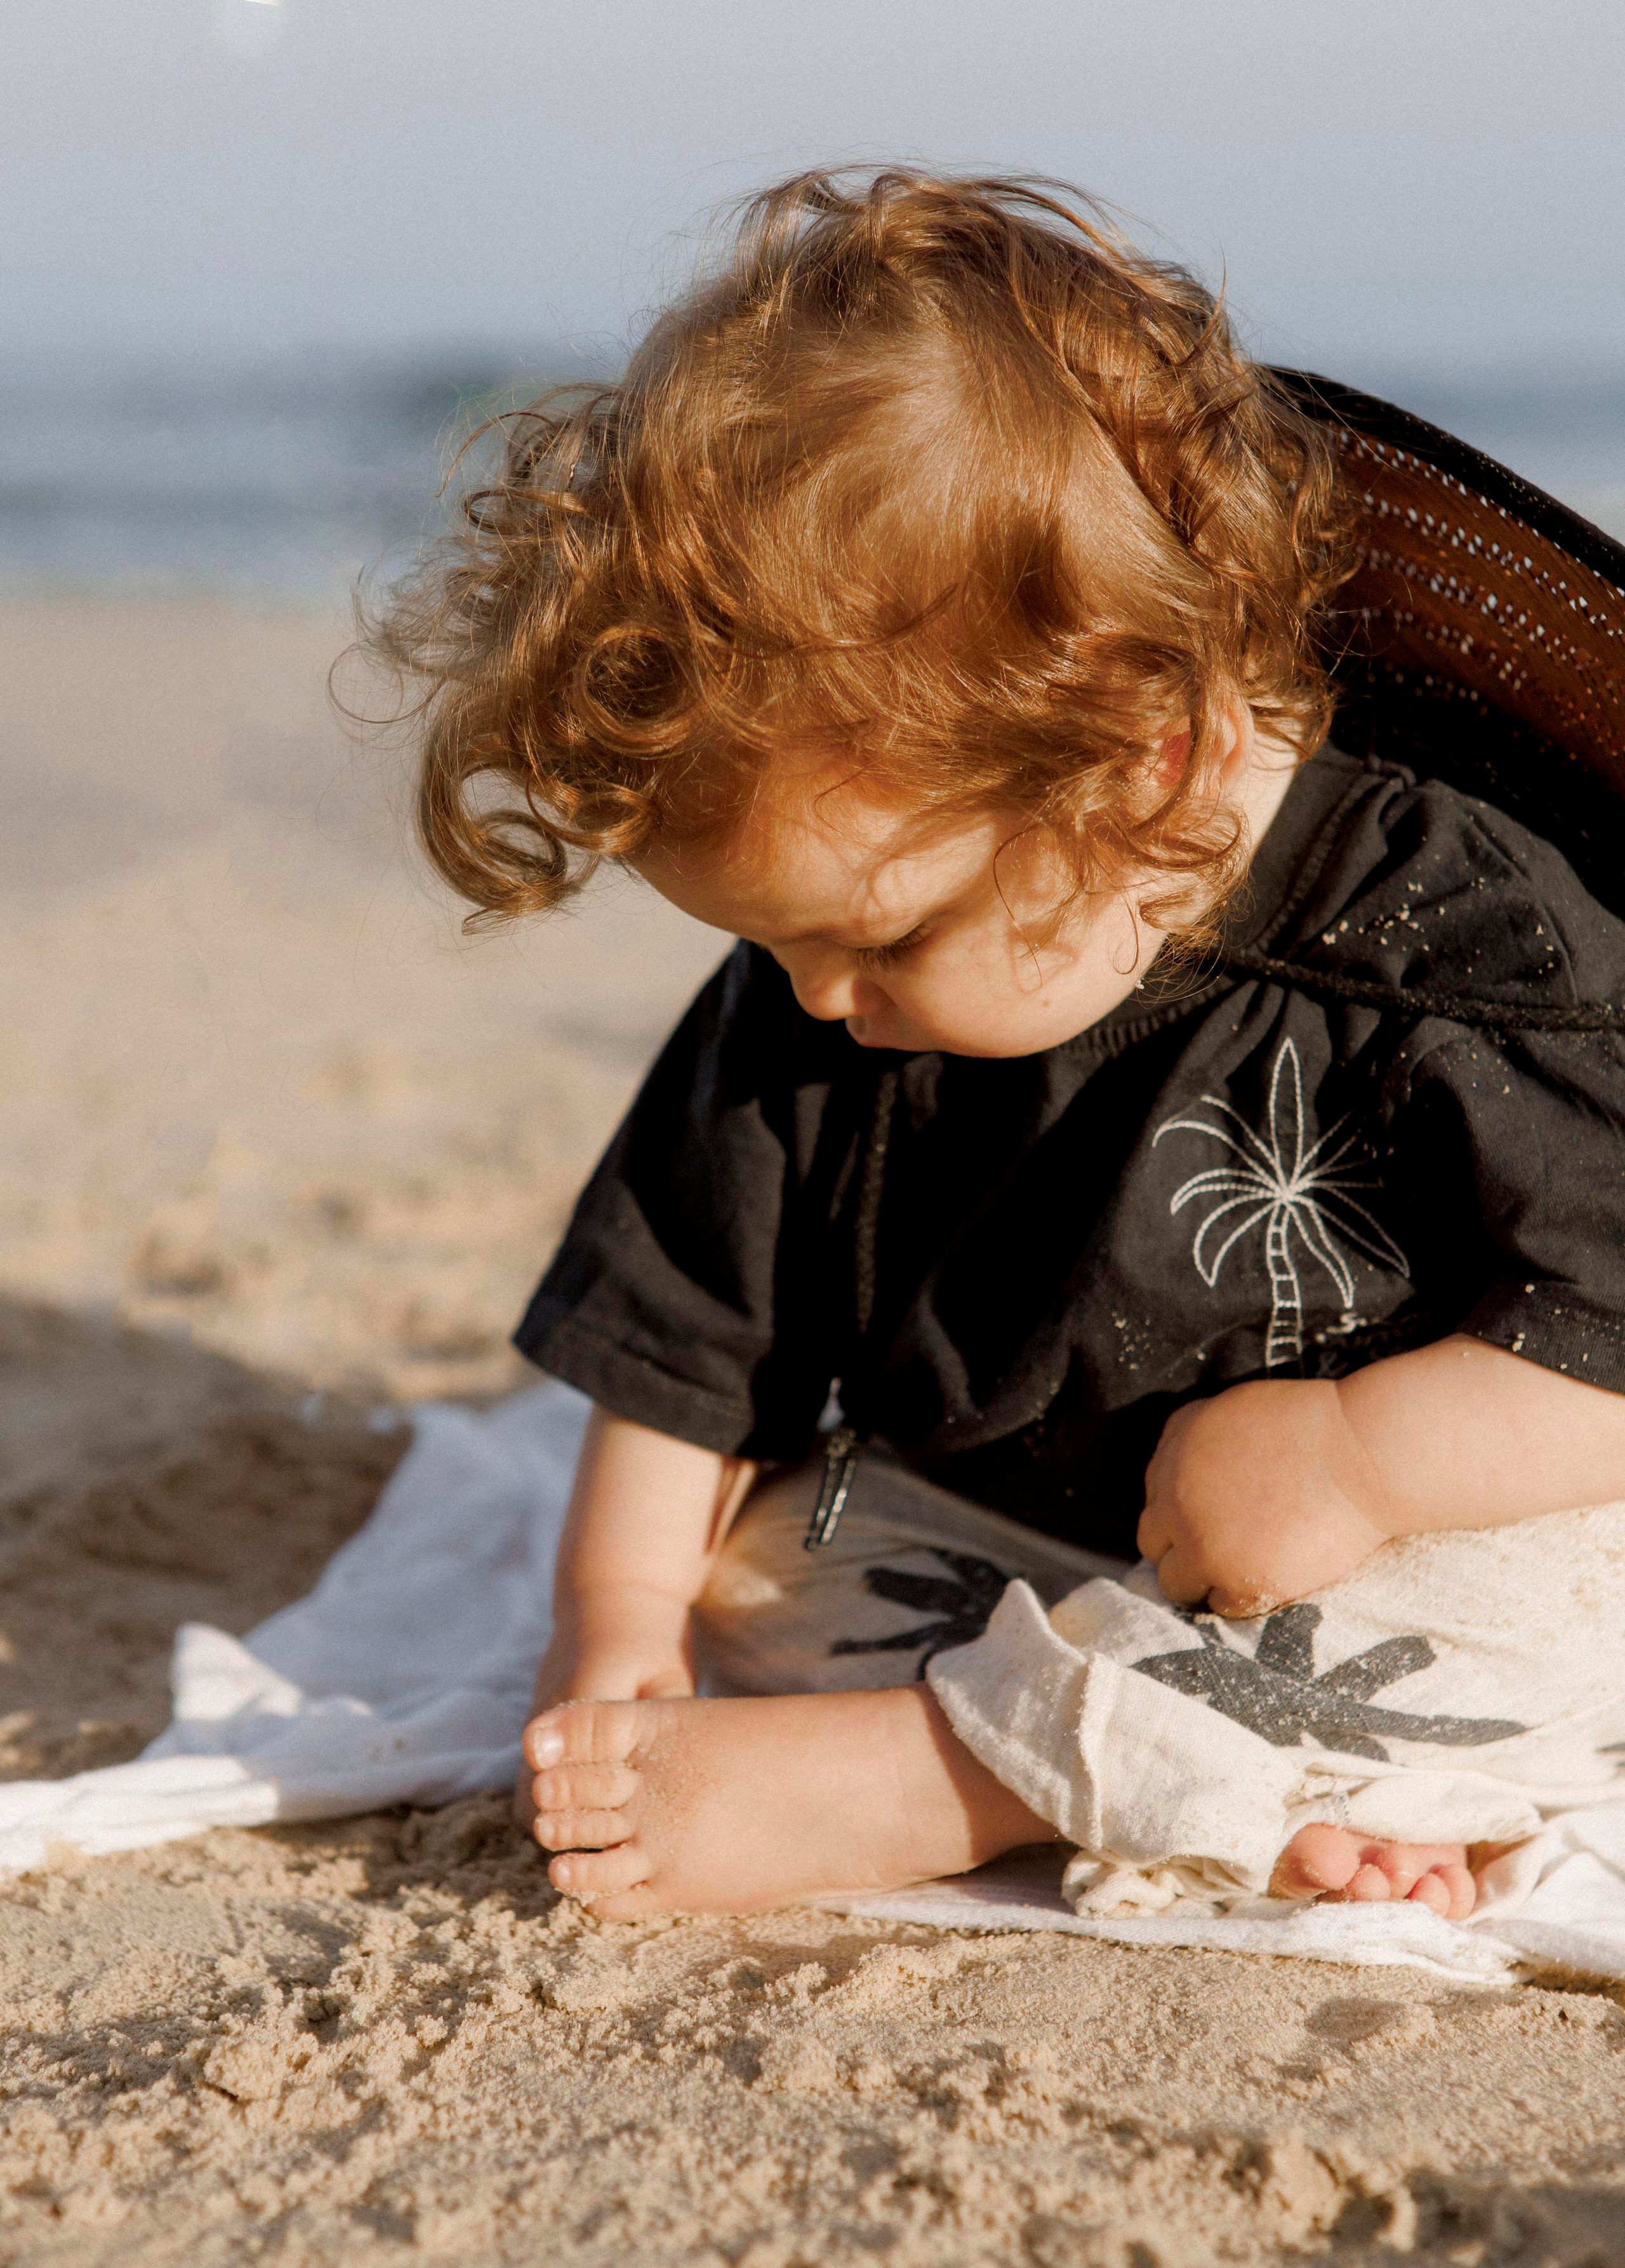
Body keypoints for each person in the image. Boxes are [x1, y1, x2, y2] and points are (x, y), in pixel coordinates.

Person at [373, 168, 1625, 1926]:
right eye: (777, 946)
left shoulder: (1471, 949)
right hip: (1021, 1549)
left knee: (1577, 1602)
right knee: (750, 1584)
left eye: (878, 938)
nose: (818, 999)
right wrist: (619, 1630)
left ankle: (952, 1775)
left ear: (1145, 767)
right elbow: (686, 1353)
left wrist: (1367, 1456)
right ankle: (1182, 1775)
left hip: (1389, 1554)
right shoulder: (824, 984)